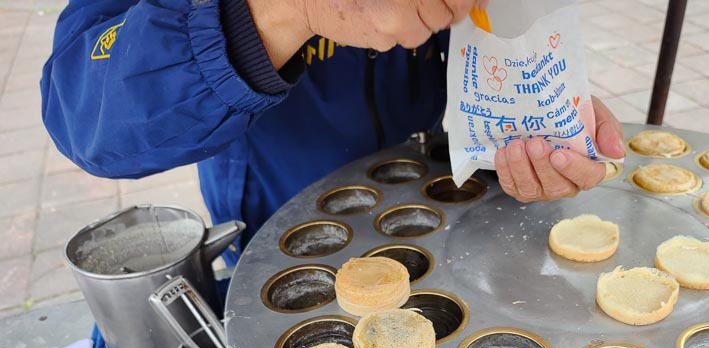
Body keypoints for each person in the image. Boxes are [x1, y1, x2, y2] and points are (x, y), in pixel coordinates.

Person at [41, 0, 625, 268]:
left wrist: (528, 117)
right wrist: (286, 12)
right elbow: (82, 108)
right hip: (285, 241)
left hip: (451, 230)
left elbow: (488, 36)